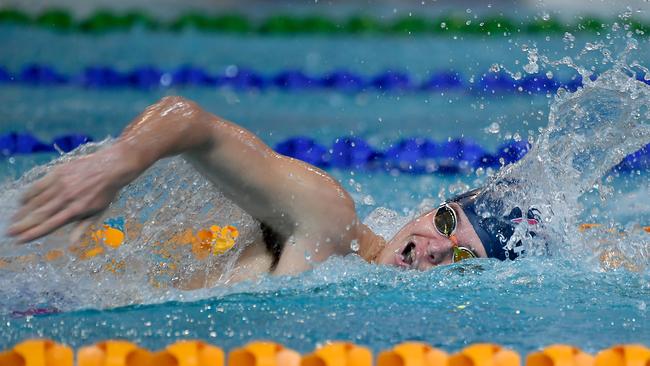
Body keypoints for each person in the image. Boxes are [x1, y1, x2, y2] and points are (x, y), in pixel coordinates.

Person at [6, 96, 537, 286]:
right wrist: (118, 162)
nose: (437, 246)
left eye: (463, 257)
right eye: (445, 223)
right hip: (39, 271)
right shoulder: (331, 223)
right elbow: (190, 122)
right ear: (430, 209)